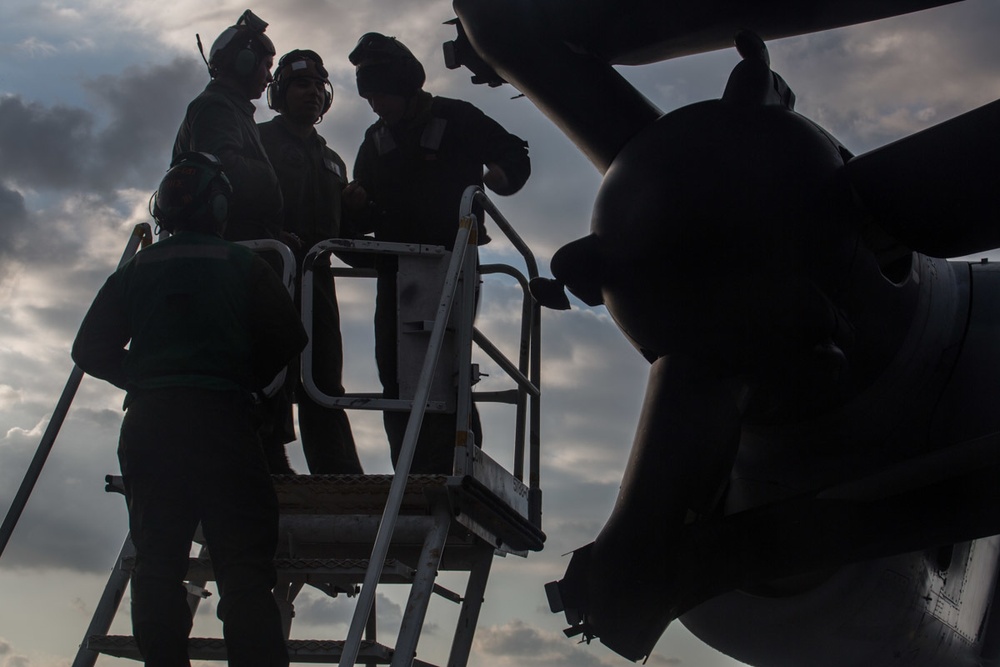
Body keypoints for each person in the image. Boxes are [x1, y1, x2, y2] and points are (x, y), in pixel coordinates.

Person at [72, 152, 304, 666]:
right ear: (219, 207)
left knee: (156, 564)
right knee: (244, 572)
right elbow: (289, 335)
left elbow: (89, 349)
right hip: (222, 422)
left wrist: (145, 378)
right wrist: (245, 382)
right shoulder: (244, 266)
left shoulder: (136, 269)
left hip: (151, 425)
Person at [344, 32, 531, 473]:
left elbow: (513, 152)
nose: (377, 105)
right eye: (369, 97)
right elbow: (356, 226)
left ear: (407, 85)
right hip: (396, 274)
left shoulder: (456, 117)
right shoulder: (375, 142)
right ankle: (408, 473)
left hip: (451, 264)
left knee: (446, 368)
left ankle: (460, 465)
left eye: (382, 94)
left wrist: (502, 177)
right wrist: (352, 210)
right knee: (394, 375)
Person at [173, 10, 298, 472]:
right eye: (265, 65)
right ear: (243, 63)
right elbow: (220, 168)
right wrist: (267, 195)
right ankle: (259, 448)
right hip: (229, 254)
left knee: (270, 340)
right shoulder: (216, 109)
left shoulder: (230, 110)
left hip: (246, 246)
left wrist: (273, 230)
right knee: (252, 346)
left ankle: (266, 444)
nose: (268, 75)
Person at [258, 49, 363, 474]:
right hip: (267, 278)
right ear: (280, 93)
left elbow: (345, 233)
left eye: (320, 86)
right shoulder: (257, 142)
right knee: (269, 373)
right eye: (302, 85)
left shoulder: (334, 160)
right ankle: (267, 455)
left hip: (318, 281)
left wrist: (361, 208)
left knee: (322, 377)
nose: (313, 94)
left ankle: (335, 468)